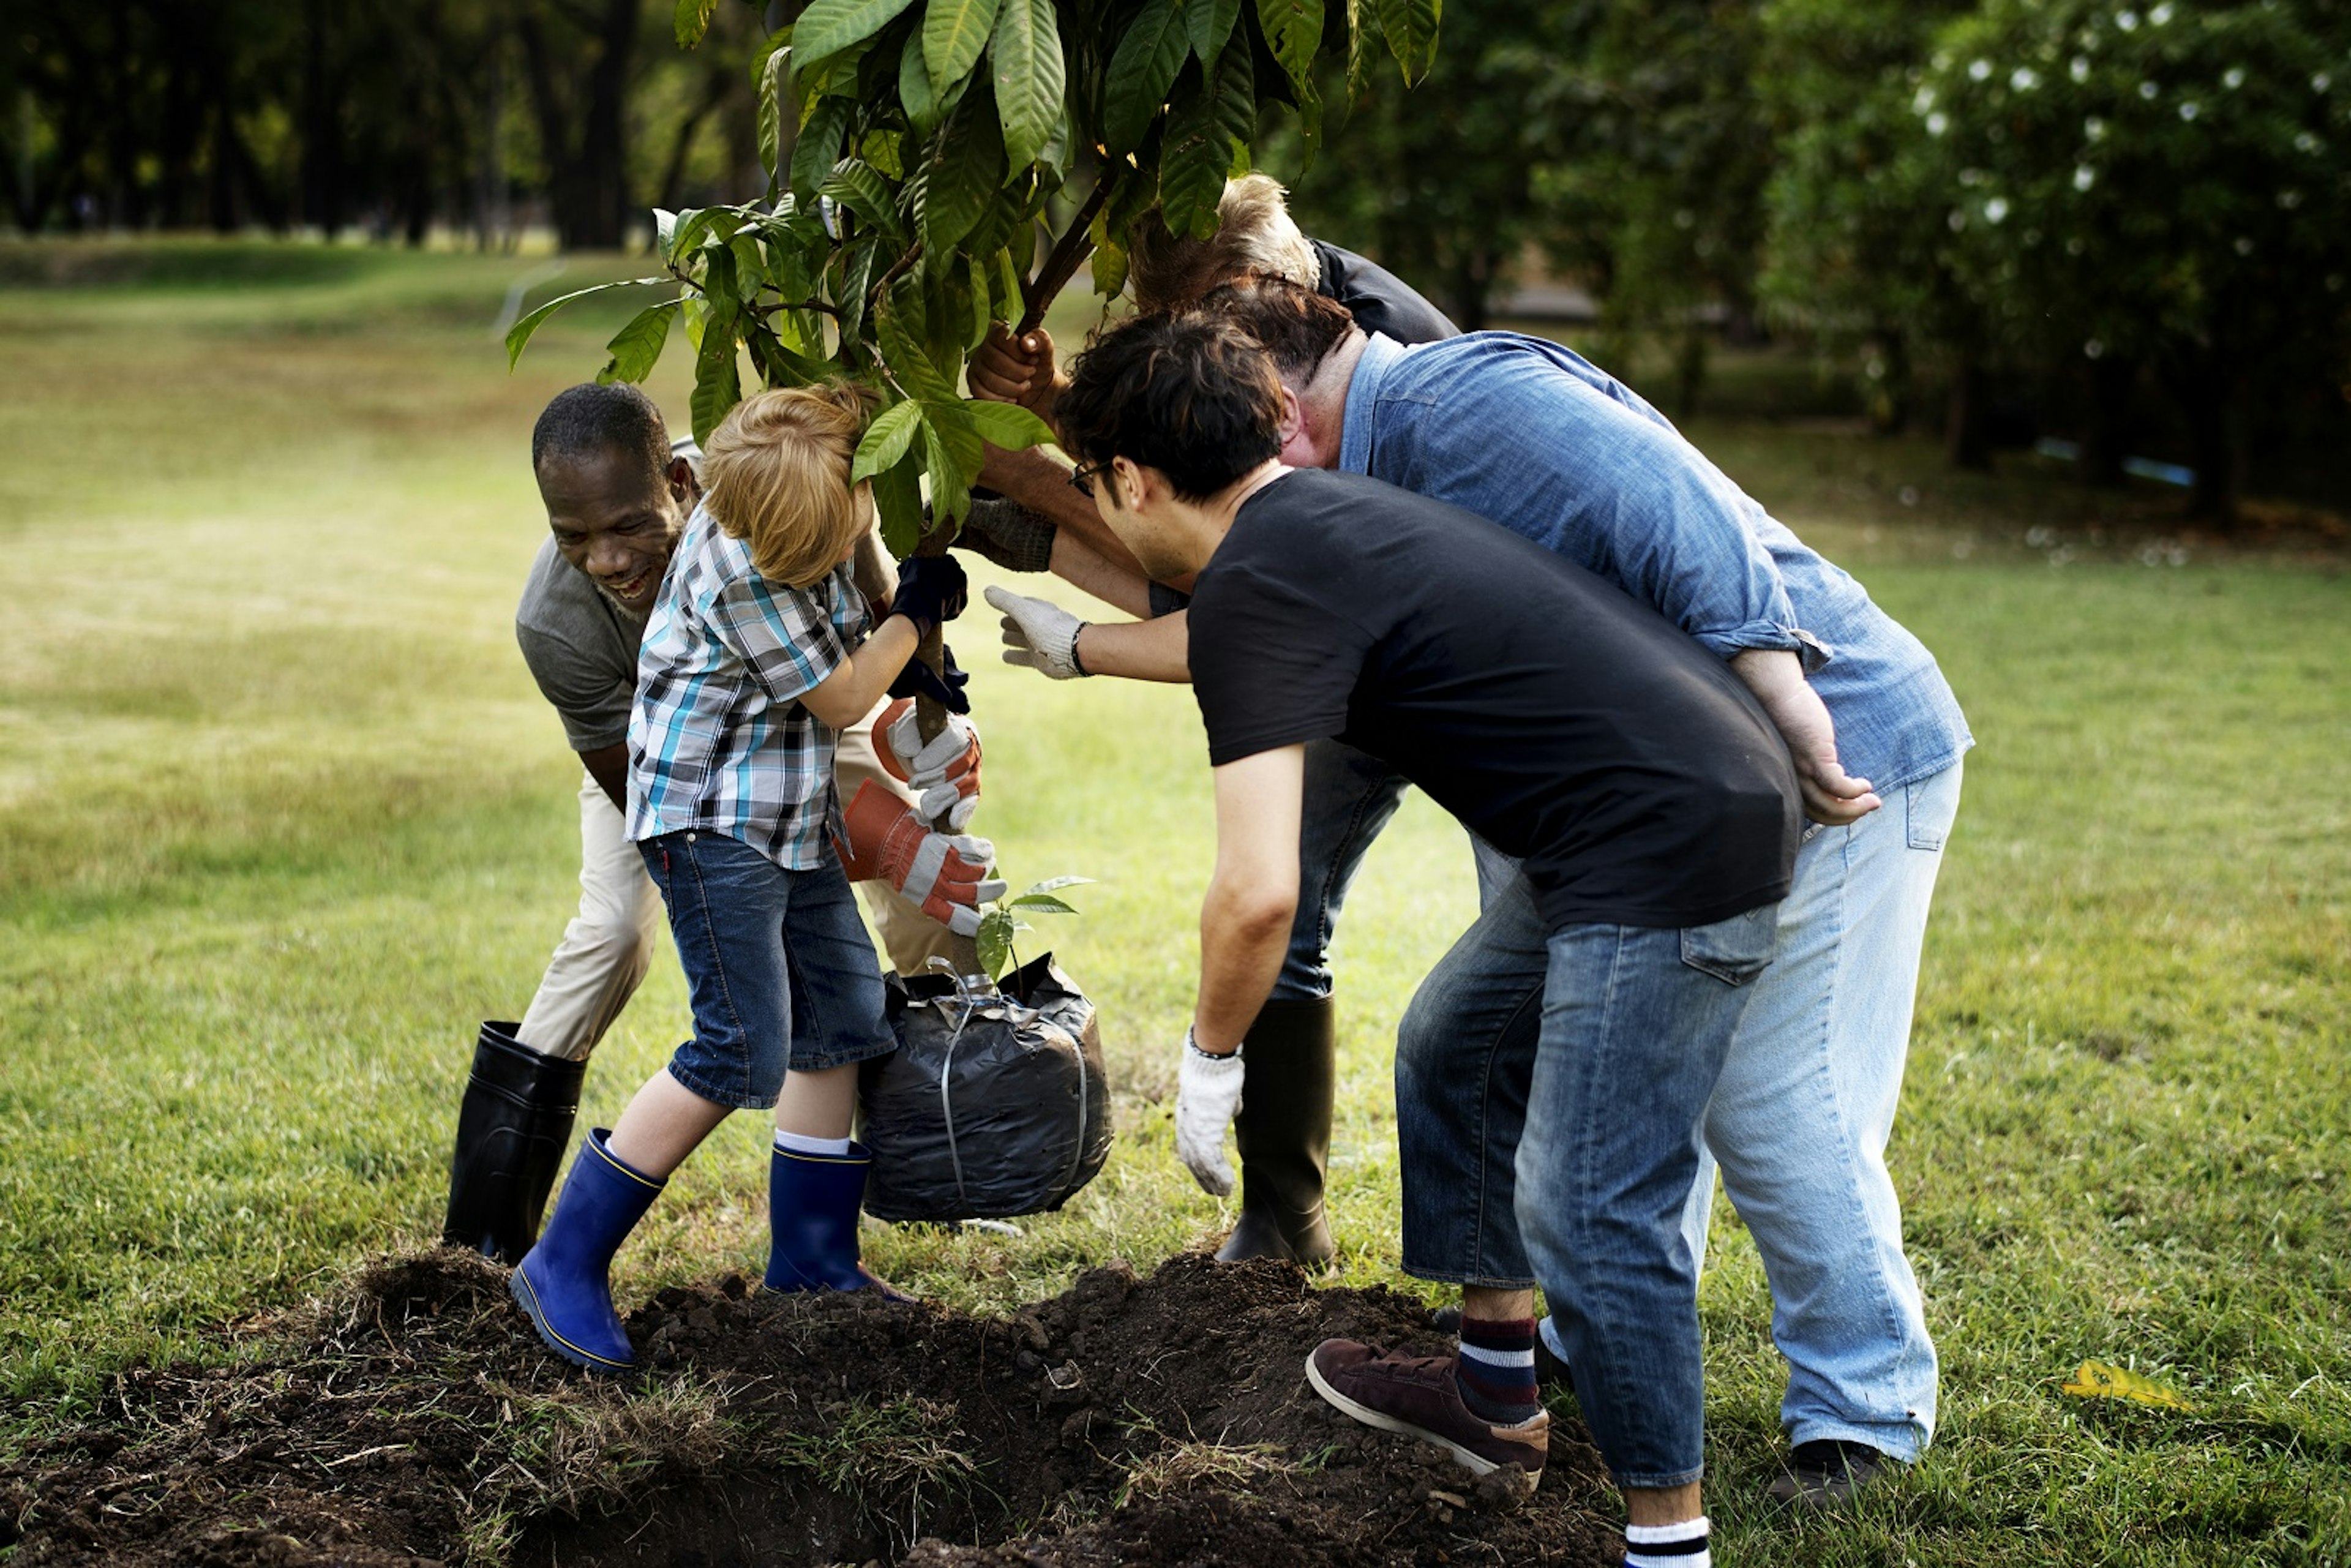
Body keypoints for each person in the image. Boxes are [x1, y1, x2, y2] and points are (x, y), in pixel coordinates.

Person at [999, 282, 1973, 1506]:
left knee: (1741, 1116)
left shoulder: (1468, 406)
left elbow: (1686, 514)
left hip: (1822, 741)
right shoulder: (1328, 500)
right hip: (1632, 800)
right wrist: (1076, 638)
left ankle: (1853, 1421)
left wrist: (1786, 701)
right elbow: (1247, 625)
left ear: (1286, 407)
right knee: (1458, 1043)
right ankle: (1503, 1381)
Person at [963, 174, 1463, 1267]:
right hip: (1359, 626)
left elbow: (1239, 590)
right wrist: (1056, 420)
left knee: (1365, 942)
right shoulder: (1263, 311)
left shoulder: (1369, 369)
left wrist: (1036, 486)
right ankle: (1284, 1220)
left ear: (1252, 292)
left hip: (1460, 665)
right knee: (1296, 910)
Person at [442, 384, 988, 1269]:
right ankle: (522, 1242)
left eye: (626, 525)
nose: (608, 559)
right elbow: (676, 787)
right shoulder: (595, 613)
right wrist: (880, 824)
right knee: (693, 1002)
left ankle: (836, 1245)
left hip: (782, 740)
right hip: (685, 784)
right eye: (574, 537)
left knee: (853, 999)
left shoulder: (775, 479)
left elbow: (858, 625)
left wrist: (924, 697)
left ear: (682, 480)